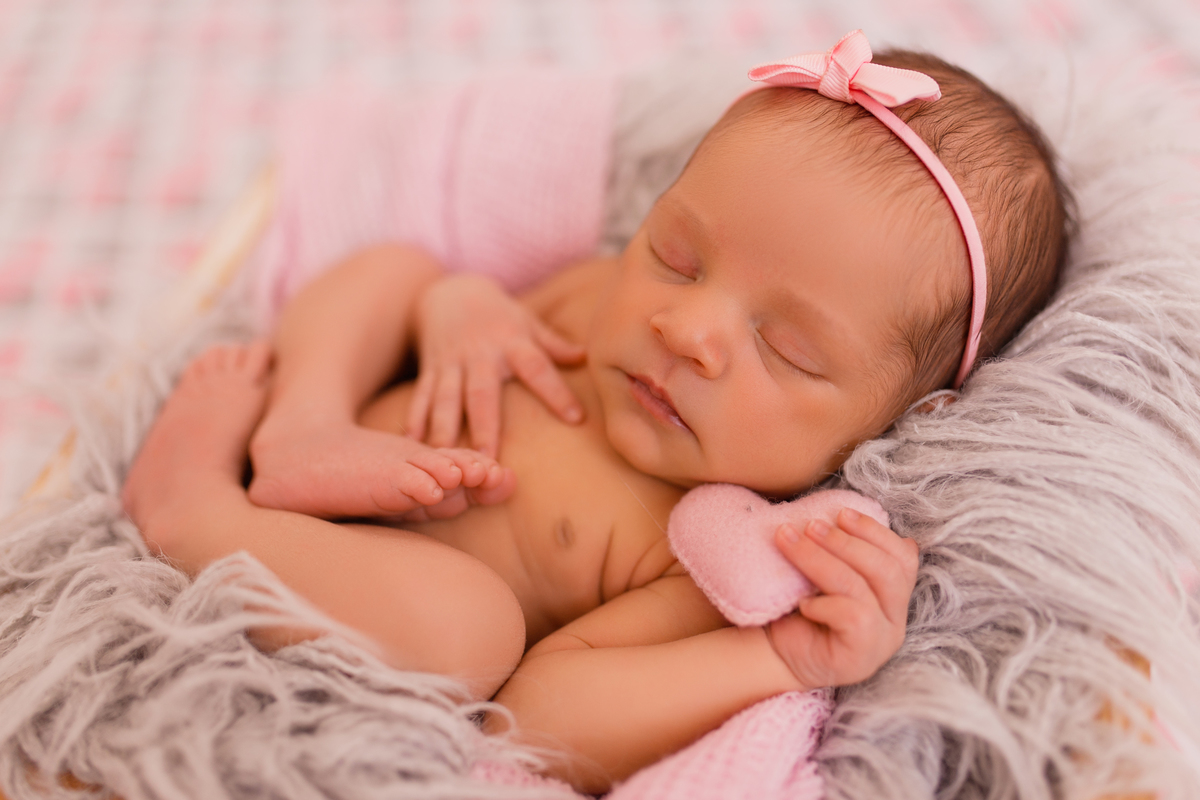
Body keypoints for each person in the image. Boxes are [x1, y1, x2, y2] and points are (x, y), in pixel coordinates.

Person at [121, 34, 1070, 793]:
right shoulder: (593, 301)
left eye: (788, 350)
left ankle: (199, 513)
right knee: (399, 269)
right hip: (345, 443)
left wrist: (779, 659)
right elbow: (442, 297)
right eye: (676, 257)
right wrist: (457, 311)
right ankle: (305, 422)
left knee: (468, 636)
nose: (684, 325)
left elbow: (540, 716)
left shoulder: (706, 546)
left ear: (904, 418)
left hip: (360, 584)